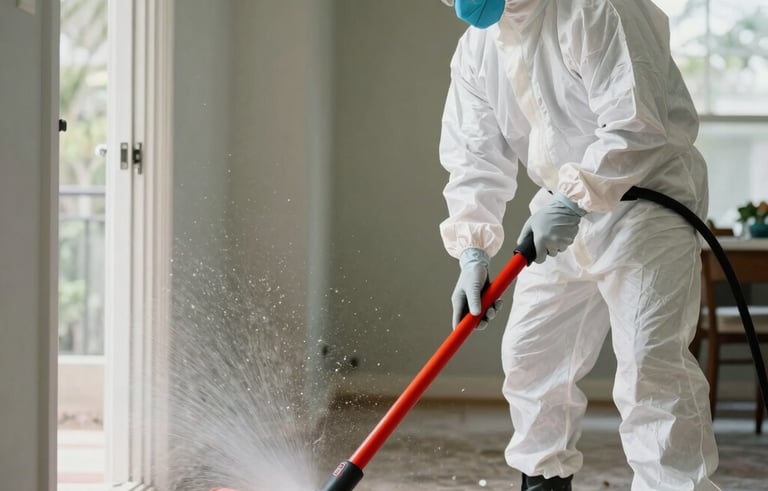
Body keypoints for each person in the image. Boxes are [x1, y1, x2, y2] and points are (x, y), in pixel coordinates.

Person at [439, 0, 720, 490]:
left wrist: (573, 199)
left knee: (651, 369)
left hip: (646, 209)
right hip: (559, 215)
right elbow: (474, 158)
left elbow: (636, 125)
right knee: (532, 357)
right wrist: (472, 250)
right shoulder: (476, 50)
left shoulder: (597, 8)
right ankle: (544, 482)